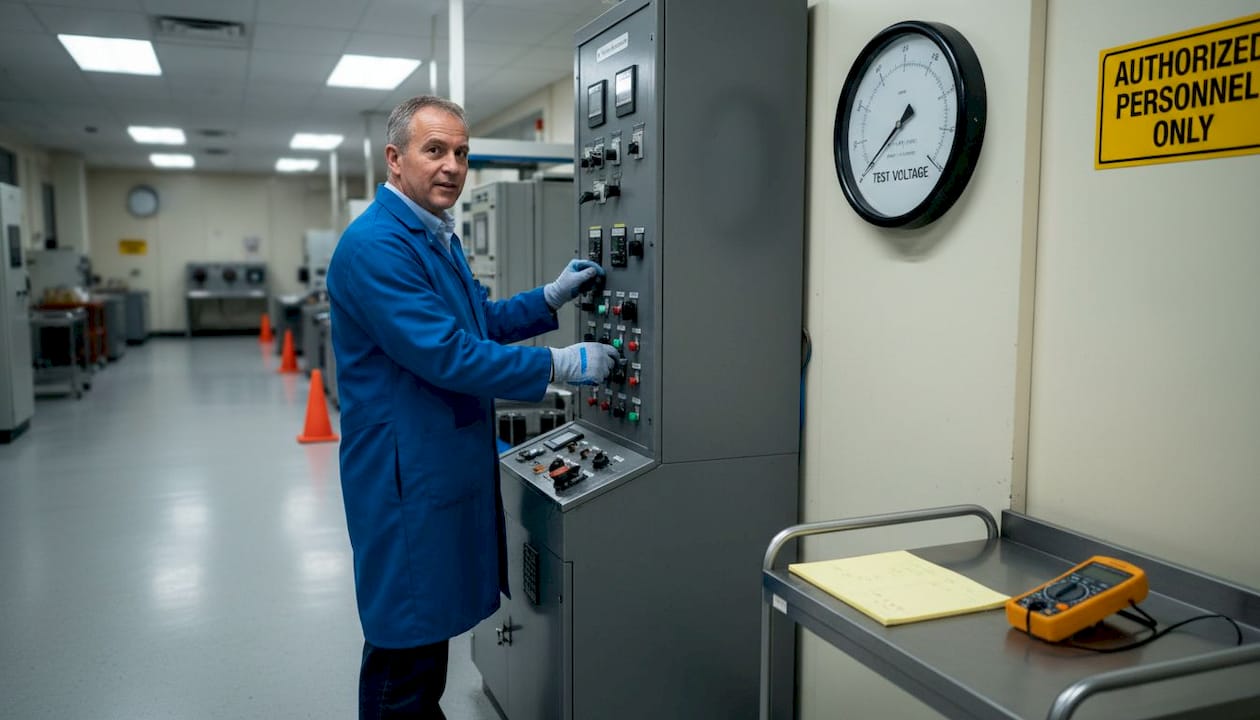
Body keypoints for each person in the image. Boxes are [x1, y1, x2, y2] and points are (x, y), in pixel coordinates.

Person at [326, 95, 619, 719]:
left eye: (461, 153)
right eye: (435, 150)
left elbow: (476, 321)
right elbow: (449, 354)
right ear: (395, 157)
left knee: (425, 654)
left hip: (440, 466)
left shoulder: (433, 236)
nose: (452, 166)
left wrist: (547, 298)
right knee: (403, 656)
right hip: (404, 481)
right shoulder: (377, 245)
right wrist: (559, 365)